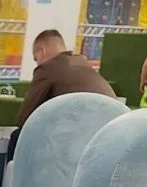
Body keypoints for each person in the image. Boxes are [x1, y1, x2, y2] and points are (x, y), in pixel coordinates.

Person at [7, 29, 117, 161]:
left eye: (36, 59)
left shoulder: (48, 68)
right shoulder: (83, 64)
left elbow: (24, 118)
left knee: (19, 136)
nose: (37, 63)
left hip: (77, 138)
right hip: (109, 136)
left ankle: (12, 175)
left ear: (42, 51)